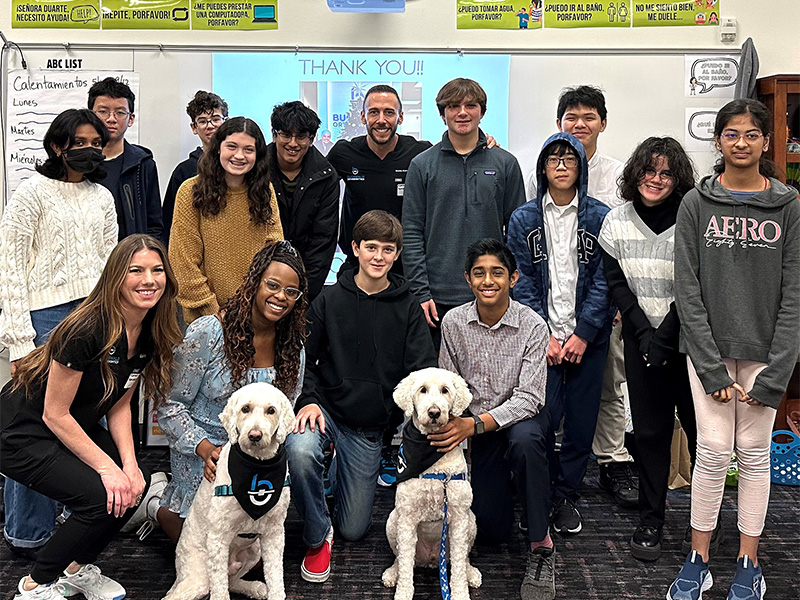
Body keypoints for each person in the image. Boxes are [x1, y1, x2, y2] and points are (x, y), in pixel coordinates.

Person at [0, 234, 182, 600]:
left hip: (64, 426)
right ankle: (34, 586)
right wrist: (107, 468)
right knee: (100, 496)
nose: (149, 280)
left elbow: (118, 403)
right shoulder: (86, 328)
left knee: (133, 487)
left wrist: (130, 467)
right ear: (116, 276)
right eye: (136, 270)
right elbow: (54, 414)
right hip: (21, 432)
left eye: (157, 270)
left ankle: (76, 570)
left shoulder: (149, 328)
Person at [667, 99, 800, 600]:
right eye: (730, 133)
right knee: (714, 452)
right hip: (710, 354)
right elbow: (689, 287)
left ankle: (749, 560)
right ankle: (698, 558)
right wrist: (709, 368)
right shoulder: (695, 205)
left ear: (766, 142)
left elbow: (795, 294)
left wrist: (775, 375)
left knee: (755, 454)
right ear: (718, 140)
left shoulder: (788, 207)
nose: (740, 142)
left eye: (751, 134)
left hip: (765, 353)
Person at [286, 210, 436, 584]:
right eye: (371, 247)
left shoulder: (408, 307)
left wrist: (391, 413)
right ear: (355, 248)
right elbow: (304, 358)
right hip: (326, 411)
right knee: (300, 450)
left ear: (397, 254)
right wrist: (308, 399)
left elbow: (423, 371)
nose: (379, 256)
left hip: (367, 427)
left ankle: (335, 473)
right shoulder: (329, 299)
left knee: (354, 528)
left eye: (388, 249)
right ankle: (318, 536)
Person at [0, 108, 118, 558]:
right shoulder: (30, 194)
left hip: (93, 316)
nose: (88, 150)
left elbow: (112, 266)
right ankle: (28, 533)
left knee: (86, 420)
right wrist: (18, 340)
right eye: (80, 142)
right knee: (33, 427)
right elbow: (10, 268)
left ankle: (77, 523)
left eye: (96, 142)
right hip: (44, 319)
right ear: (57, 146)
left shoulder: (102, 197)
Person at [154, 241, 308, 544]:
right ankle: (156, 507)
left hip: (257, 452)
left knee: (243, 561)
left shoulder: (293, 348)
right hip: (204, 450)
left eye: (291, 292)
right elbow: (170, 405)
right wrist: (204, 448)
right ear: (254, 282)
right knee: (203, 554)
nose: (281, 297)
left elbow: (286, 411)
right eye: (273, 285)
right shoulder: (209, 332)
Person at [527, 85, 636, 508]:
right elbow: (529, 267)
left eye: (589, 117)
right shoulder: (532, 197)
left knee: (605, 391)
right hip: (548, 323)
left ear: (603, 124)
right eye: (572, 117)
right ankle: (547, 478)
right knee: (547, 404)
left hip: (602, 312)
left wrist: (592, 324)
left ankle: (609, 461)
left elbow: (612, 257)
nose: (580, 124)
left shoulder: (618, 176)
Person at [507, 132, 613, 537]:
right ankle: (542, 490)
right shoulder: (524, 218)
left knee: (582, 422)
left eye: (570, 159)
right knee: (542, 418)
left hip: (590, 337)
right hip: (541, 340)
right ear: (543, 168)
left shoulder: (600, 216)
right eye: (554, 159)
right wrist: (545, 335)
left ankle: (568, 494)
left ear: (581, 167)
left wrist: (583, 333)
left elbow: (605, 279)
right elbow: (521, 279)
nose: (563, 165)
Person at [598, 137, 698, 561]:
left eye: (665, 173)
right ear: (635, 173)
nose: (655, 180)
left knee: (703, 438)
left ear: (677, 180)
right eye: (648, 171)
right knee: (651, 435)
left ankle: (704, 526)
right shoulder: (615, 221)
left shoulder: (694, 217)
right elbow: (615, 281)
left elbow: (696, 284)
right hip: (641, 344)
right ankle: (651, 519)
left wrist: (664, 338)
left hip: (691, 346)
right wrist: (643, 335)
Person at [437, 239, 551, 600]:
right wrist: (464, 429)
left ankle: (541, 545)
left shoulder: (533, 325)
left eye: (497, 273)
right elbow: (449, 385)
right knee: (490, 530)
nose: (489, 280)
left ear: (513, 278)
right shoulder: (454, 322)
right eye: (480, 273)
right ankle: (512, 491)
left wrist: (477, 424)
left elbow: (530, 398)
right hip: (478, 429)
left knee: (525, 443)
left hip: (521, 419)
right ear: (468, 280)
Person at [402, 77, 526, 351]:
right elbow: (411, 233)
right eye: (453, 105)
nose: (462, 112)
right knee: (440, 384)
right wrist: (420, 292)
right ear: (442, 113)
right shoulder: (422, 165)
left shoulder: (505, 163)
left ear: (482, 111)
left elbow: (518, 234)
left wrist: (513, 289)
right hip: (436, 299)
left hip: (491, 293)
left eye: (470, 105)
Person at [169, 116, 283, 324]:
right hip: (204, 321)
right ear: (218, 148)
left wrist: (254, 307)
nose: (239, 155)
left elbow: (274, 252)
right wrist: (215, 314)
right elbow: (183, 263)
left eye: (248, 149)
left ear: (258, 155)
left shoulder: (265, 192)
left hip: (255, 315)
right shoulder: (189, 192)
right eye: (232, 146)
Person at [327, 84, 433, 274]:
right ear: (362, 117)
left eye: (389, 113)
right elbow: (311, 176)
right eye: (374, 112)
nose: (381, 120)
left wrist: (483, 146)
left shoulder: (420, 153)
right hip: (356, 266)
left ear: (400, 117)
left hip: (406, 267)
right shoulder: (343, 154)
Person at [268, 101, 340, 300]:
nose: (293, 143)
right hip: (259, 280)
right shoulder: (256, 170)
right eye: (285, 134)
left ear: (311, 139)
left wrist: (302, 295)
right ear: (274, 135)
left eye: (301, 136)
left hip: (304, 285)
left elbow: (323, 242)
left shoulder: (326, 176)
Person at [88, 77, 162, 241]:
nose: (111, 119)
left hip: (131, 259)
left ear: (131, 119)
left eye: (120, 112)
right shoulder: (79, 163)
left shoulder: (143, 164)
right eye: (103, 111)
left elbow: (154, 224)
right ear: (90, 115)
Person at [161, 90, 229, 247]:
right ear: (194, 127)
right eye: (203, 121)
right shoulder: (183, 172)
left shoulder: (237, 166)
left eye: (216, 119)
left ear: (226, 122)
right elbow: (169, 222)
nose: (210, 126)